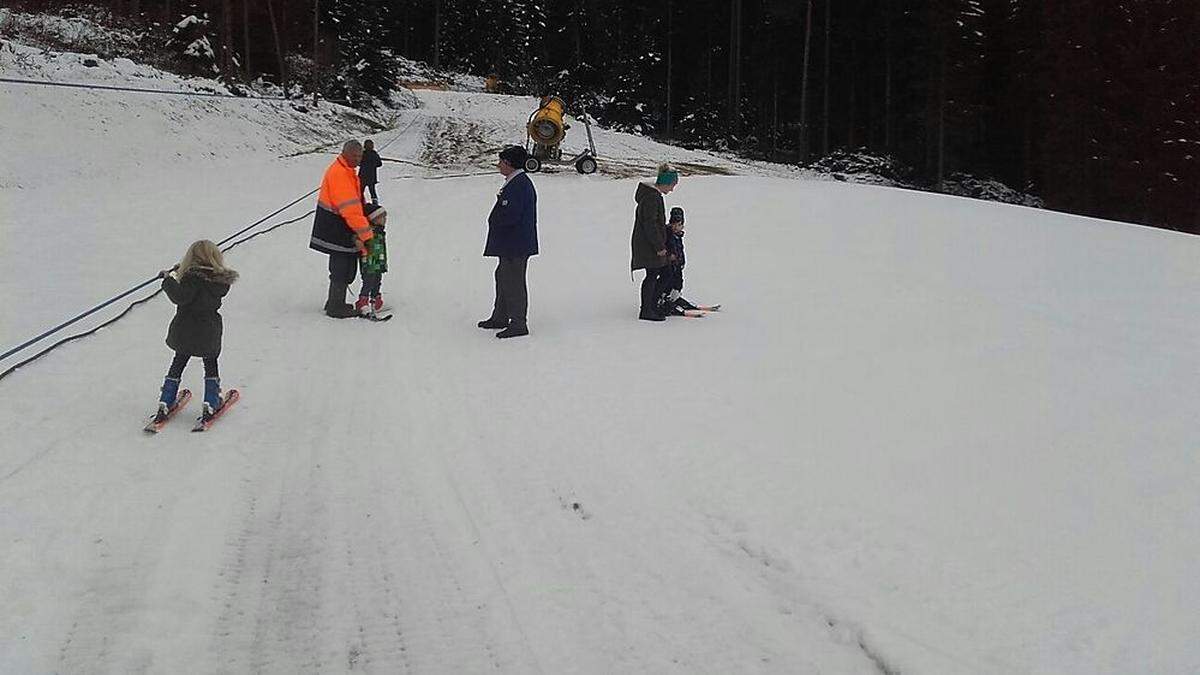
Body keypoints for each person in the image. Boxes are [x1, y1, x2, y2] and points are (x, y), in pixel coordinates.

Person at [152, 240, 238, 422]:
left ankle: (166, 400)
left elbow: (180, 296)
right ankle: (211, 401)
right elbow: (202, 286)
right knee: (210, 363)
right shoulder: (220, 281)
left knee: (179, 361)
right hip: (209, 330)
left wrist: (168, 279)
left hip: (185, 329)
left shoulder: (190, 279)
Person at [478, 145, 538, 338]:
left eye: (501, 162)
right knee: (503, 278)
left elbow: (511, 215)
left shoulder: (519, 184)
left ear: (509, 164)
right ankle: (500, 316)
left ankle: (518, 323)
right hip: (510, 244)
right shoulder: (515, 182)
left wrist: (495, 221)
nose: (498, 165)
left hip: (515, 244)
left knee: (513, 282)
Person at [310, 140, 373, 318]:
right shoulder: (340, 174)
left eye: (360, 156)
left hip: (337, 225)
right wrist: (366, 234)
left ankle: (334, 301)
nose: (359, 159)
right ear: (345, 153)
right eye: (355, 155)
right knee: (342, 267)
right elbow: (350, 209)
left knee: (342, 265)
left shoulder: (346, 170)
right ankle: (336, 306)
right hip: (336, 226)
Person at [630, 163, 679, 321]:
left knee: (659, 272)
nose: (672, 189)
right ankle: (647, 310)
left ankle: (651, 305)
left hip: (649, 243)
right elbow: (649, 224)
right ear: (665, 182)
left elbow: (654, 223)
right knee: (653, 275)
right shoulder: (652, 197)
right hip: (648, 245)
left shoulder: (653, 195)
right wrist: (659, 247)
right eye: (672, 185)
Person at [660, 206, 699, 315]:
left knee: (679, 282)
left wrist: (682, 261)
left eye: (679, 225)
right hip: (669, 265)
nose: (676, 227)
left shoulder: (678, 236)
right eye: (674, 225)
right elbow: (668, 248)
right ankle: (667, 301)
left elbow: (680, 250)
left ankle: (675, 297)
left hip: (677, 264)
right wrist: (670, 256)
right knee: (669, 282)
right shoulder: (668, 234)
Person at [354, 203, 389, 315]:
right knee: (368, 281)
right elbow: (356, 237)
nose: (385, 220)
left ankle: (375, 298)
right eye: (382, 217)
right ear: (374, 219)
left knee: (377, 280)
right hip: (368, 262)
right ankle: (362, 302)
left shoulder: (380, 230)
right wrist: (358, 242)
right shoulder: (367, 230)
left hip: (378, 261)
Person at [359, 139, 383, 204]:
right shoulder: (375, 154)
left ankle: (359, 202)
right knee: (372, 191)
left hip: (362, 176)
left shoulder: (362, 154)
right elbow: (380, 164)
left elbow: (358, 163)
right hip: (371, 177)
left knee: (360, 190)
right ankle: (375, 202)